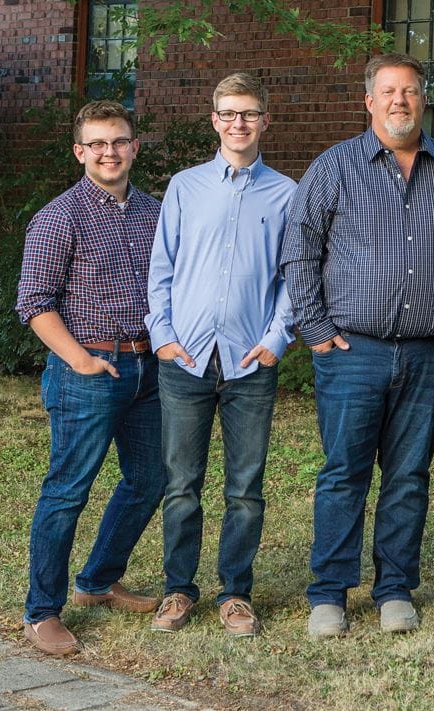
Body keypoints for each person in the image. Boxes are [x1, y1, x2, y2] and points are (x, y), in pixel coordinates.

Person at [280, 53, 434, 638]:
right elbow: (299, 249)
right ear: (369, 100)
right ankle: (329, 593)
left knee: (408, 475)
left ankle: (393, 590)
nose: (400, 102)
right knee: (343, 473)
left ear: (423, 99)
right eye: (389, 92)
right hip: (351, 351)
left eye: (410, 92)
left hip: (425, 351)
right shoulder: (334, 167)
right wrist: (312, 325)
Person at [146, 72, 296, 637]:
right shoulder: (184, 187)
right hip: (185, 360)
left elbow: (291, 278)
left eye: (249, 113)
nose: (239, 123)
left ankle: (235, 593)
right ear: (215, 120)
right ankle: (178, 590)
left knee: (245, 489)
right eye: (229, 113)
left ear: (264, 120)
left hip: (249, 363)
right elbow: (162, 270)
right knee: (180, 484)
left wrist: (277, 338)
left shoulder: (286, 193)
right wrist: (162, 335)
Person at [15, 100, 164, 655]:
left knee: (150, 479)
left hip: (150, 367)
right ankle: (42, 611)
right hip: (88, 369)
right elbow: (33, 301)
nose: (109, 152)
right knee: (67, 490)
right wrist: (78, 358)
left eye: (119, 141)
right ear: (80, 152)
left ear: (134, 147)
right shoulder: (59, 217)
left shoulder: (155, 212)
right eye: (97, 144)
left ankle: (98, 581)